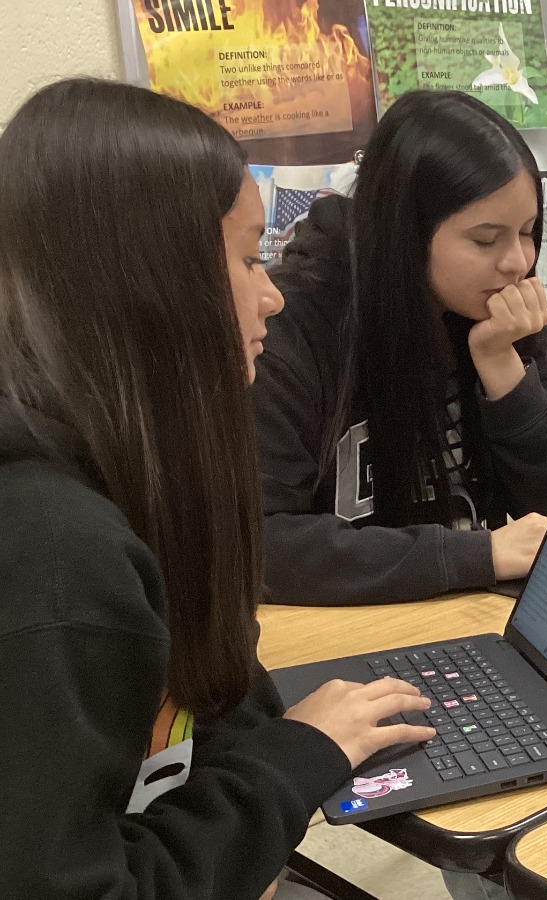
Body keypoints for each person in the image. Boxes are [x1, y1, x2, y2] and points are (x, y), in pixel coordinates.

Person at [0, 78, 435, 899]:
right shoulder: (53, 555)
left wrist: (276, 773)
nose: (271, 295)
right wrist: (293, 762)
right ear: (148, 281)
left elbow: (213, 693)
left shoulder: (121, 466)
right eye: (246, 258)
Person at [256, 89, 547, 606]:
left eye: (527, 232)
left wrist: (502, 368)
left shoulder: (503, 307)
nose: (517, 262)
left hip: (475, 618)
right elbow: (263, 540)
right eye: (486, 239)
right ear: (405, 232)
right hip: (351, 629)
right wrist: (476, 555)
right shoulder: (292, 324)